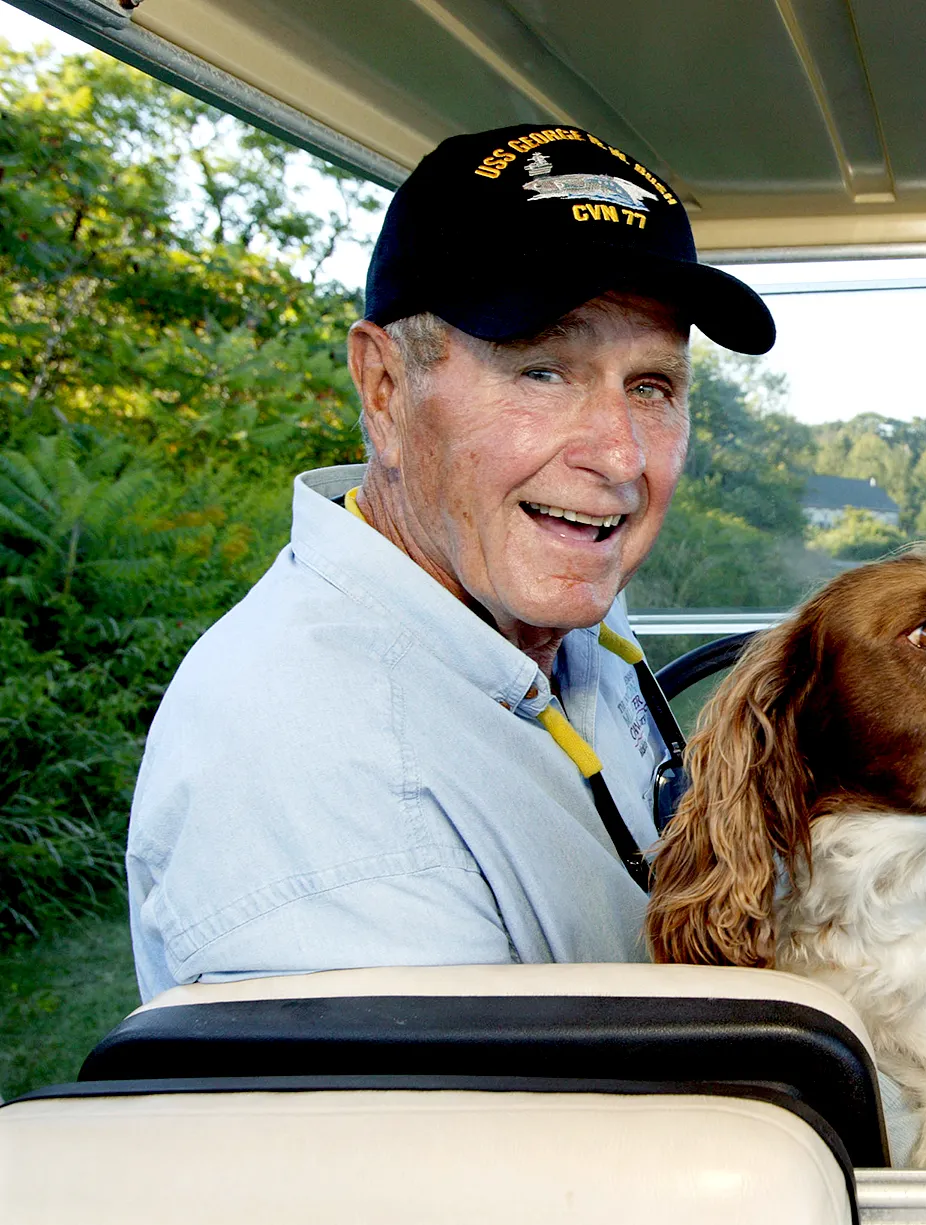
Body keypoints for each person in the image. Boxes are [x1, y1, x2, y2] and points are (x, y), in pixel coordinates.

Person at [127, 124, 774, 999]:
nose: (621, 458)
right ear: (384, 387)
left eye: (651, 386)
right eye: (543, 371)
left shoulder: (534, 589)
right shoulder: (324, 767)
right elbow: (462, 1134)